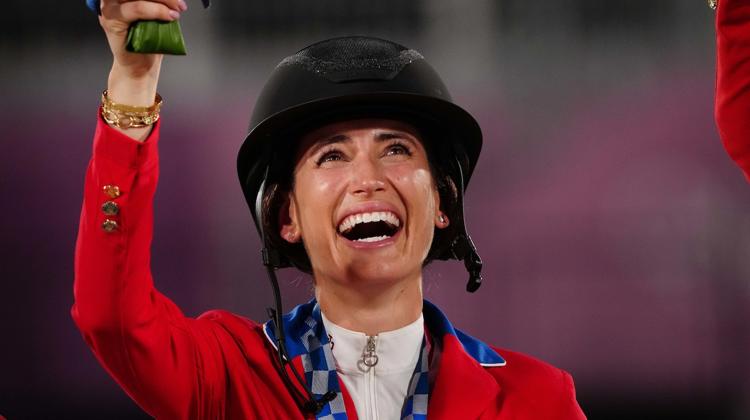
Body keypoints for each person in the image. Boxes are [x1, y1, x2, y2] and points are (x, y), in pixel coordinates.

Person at [73, 0, 748, 419]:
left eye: (396, 150)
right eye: (331, 156)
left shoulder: (538, 402)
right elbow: (109, 316)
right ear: (284, 218)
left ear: (444, 205)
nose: (367, 177)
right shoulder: (227, 378)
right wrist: (135, 76)